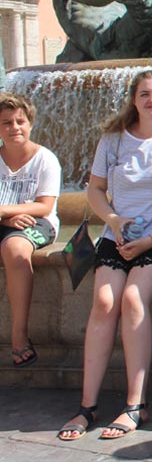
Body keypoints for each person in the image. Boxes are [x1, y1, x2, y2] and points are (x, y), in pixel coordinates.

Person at [55, 74, 152, 440]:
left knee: (133, 299)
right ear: (134, 99)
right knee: (103, 303)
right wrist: (113, 220)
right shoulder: (114, 138)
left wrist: (149, 240)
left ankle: (135, 404)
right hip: (118, 235)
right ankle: (87, 406)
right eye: (145, 94)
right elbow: (95, 189)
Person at [0, 94, 60, 370]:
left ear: (30, 124)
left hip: (38, 224)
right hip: (6, 220)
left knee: (15, 249)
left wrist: (5, 213)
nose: (15, 128)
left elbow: (44, 206)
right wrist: (7, 216)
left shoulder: (45, 159)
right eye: (6, 123)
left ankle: (19, 335)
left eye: (20, 122)